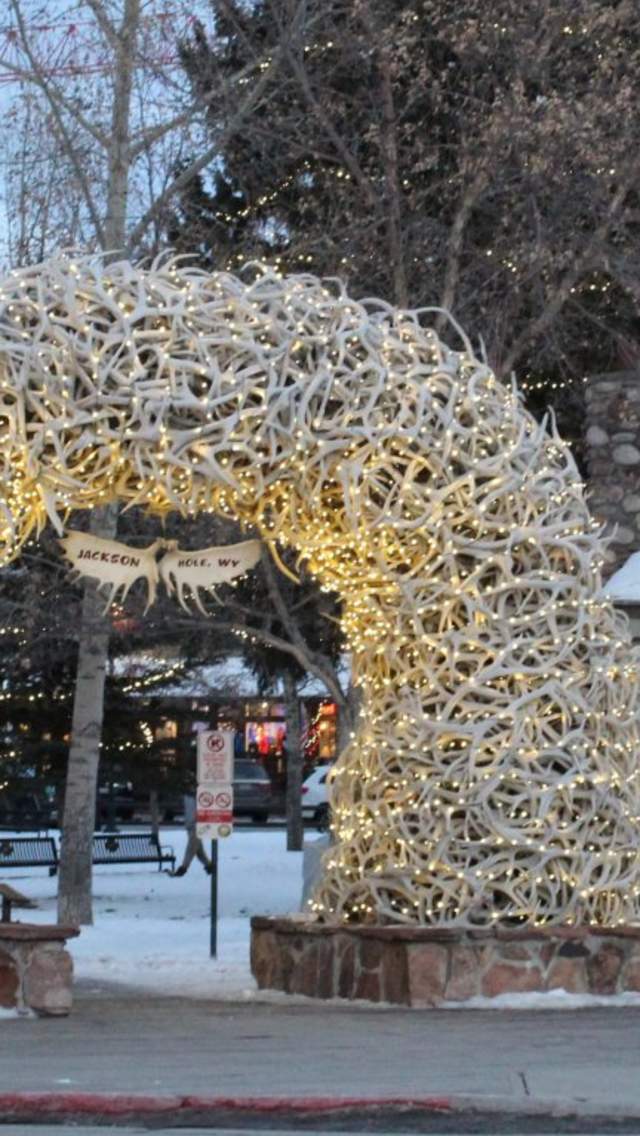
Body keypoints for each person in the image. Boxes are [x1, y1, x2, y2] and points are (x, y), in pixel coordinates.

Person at [172, 793, 212, 876]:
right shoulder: (187, 794)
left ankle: (183, 867)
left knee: (192, 846)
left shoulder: (199, 792)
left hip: (196, 824)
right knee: (198, 849)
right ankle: (209, 865)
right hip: (190, 823)